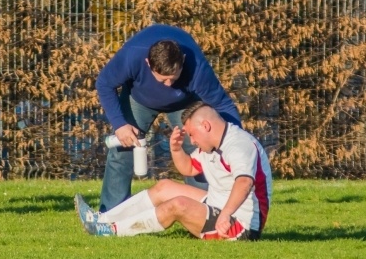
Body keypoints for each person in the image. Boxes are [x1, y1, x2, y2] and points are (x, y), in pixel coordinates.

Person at [95, 24, 241, 212]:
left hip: (184, 104)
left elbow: (223, 104)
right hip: (138, 99)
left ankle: (204, 214)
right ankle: (110, 216)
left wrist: (236, 140)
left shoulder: (197, 67)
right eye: (163, 79)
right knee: (122, 151)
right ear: (148, 63)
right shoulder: (133, 56)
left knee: (200, 152)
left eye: (174, 77)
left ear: (184, 61)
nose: (169, 84)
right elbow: (104, 83)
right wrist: (120, 124)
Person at [74, 101, 272, 240]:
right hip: (219, 207)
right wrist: (176, 150)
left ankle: (110, 230)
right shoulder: (212, 144)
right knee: (164, 187)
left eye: (193, 135)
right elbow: (188, 168)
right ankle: (102, 219)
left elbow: (244, 182)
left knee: (178, 204)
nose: (192, 141)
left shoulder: (238, 145)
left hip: (239, 226)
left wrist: (225, 214)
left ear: (206, 125)